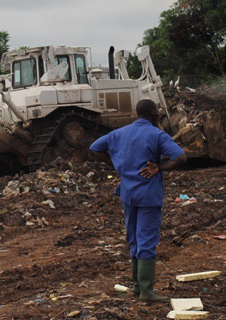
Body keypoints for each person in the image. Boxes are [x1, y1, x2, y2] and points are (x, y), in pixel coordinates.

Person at [90, 99, 186, 302]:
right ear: (152, 113)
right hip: (148, 195)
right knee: (147, 239)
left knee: (133, 237)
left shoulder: (119, 133)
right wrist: (159, 167)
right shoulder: (157, 134)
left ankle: (136, 286)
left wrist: (115, 164)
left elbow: (94, 148)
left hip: (128, 193)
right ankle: (147, 291)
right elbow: (180, 157)